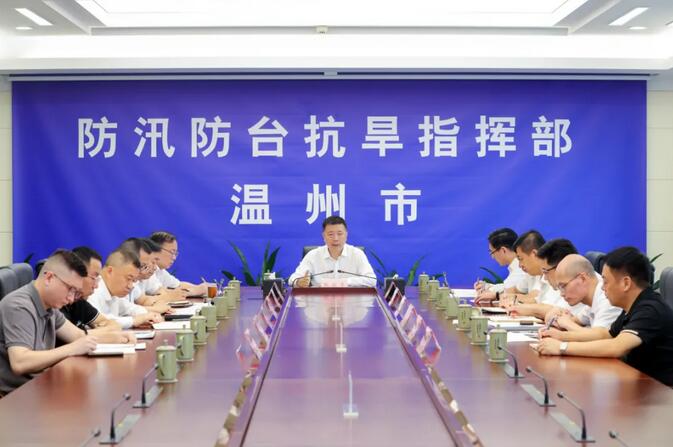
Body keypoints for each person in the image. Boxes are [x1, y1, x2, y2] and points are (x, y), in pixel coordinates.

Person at [535, 247, 673, 386]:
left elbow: (617, 346)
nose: (602, 287)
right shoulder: (633, 306)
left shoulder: (650, 309)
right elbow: (606, 335)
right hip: (638, 383)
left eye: (606, 281)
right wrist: (560, 336)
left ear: (626, 283)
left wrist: (561, 347)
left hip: (660, 391)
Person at [0, 249, 98, 395]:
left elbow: (78, 336)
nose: (71, 299)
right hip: (16, 396)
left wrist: (118, 340)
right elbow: (20, 362)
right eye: (70, 289)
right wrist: (71, 349)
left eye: (75, 292)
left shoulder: (49, 305)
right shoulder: (18, 306)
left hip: (40, 387)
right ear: (49, 278)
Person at [59, 246, 137, 344]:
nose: (96, 286)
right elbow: (76, 337)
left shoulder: (79, 301)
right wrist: (105, 335)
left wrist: (90, 333)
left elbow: (114, 326)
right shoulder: (55, 306)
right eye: (93, 278)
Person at [539, 254, 621, 341]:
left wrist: (566, 326)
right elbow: (576, 320)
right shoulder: (590, 299)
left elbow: (601, 337)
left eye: (563, 286)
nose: (561, 294)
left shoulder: (607, 297)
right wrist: (558, 322)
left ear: (582, 278)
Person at [289, 216, 376, 287]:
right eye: (330, 234)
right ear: (324, 236)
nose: (335, 238)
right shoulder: (313, 255)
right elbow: (293, 278)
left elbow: (372, 280)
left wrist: (346, 282)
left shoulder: (357, 254)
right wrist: (299, 282)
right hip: (319, 300)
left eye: (340, 234)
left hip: (352, 300)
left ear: (346, 235)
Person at [508, 238, 584, 318]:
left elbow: (557, 312)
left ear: (561, 266)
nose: (545, 278)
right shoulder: (562, 284)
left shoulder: (576, 285)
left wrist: (519, 307)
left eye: (546, 271)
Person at [88, 249, 163, 330]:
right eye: (128, 279)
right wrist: (134, 320)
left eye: (133, 280)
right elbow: (100, 321)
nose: (131, 286)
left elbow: (129, 308)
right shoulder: (92, 290)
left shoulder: (113, 291)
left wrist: (150, 315)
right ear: (110, 271)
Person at [474, 228, 527, 303]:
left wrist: (490, 290)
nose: (492, 257)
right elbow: (509, 287)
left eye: (492, 252)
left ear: (503, 250)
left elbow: (509, 289)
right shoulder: (515, 267)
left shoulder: (521, 268)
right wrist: (488, 287)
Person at [149, 231, 209, 296]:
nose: (174, 258)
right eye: (172, 252)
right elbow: (162, 293)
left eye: (175, 254)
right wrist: (196, 291)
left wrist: (200, 287)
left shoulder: (160, 271)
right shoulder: (146, 269)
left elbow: (178, 285)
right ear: (155, 250)